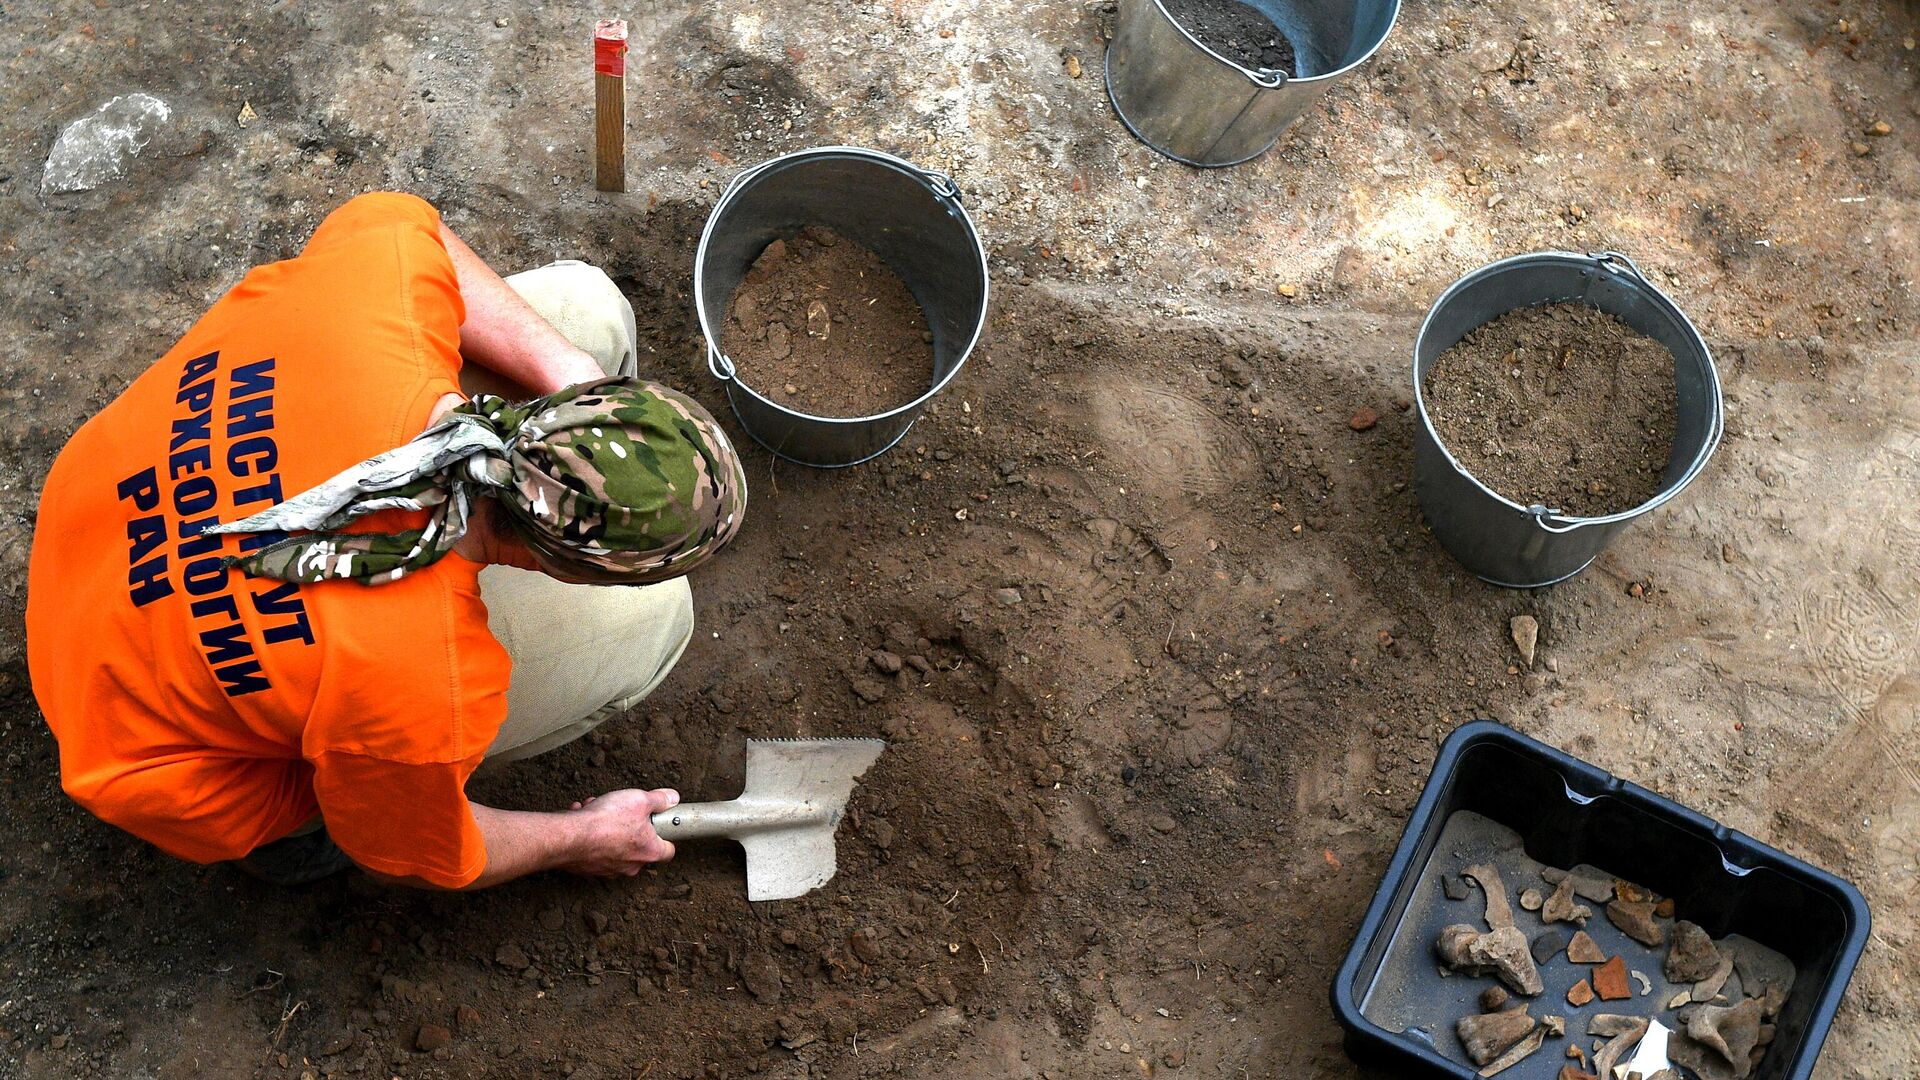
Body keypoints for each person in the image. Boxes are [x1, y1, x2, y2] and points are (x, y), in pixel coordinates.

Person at [26, 192, 747, 890]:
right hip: (134, 751)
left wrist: (574, 376)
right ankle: (297, 847)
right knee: (657, 623)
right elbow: (432, 850)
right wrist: (584, 839)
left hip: (86, 528)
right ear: (560, 570)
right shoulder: (424, 687)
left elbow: (406, 223)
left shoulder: (373, 311)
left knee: (586, 309)